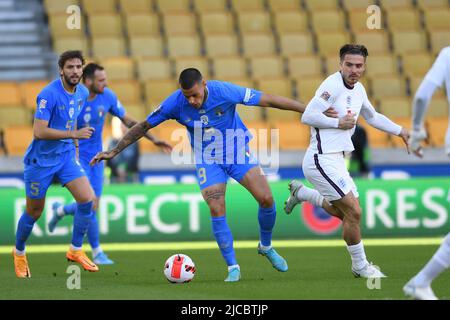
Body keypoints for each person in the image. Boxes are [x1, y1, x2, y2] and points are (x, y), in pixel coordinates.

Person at [90, 68, 338, 282]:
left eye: (196, 95)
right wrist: (114, 150)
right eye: (188, 97)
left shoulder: (224, 92)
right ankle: (233, 267)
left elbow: (270, 100)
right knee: (217, 207)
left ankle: (266, 246)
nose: (193, 101)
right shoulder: (174, 103)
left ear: (204, 85)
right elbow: (143, 125)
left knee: (267, 199)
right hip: (208, 160)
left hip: (236, 151)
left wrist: (311, 112)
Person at [284, 44, 410, 278]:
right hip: (320, 159)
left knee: (345, 214)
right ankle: (360, 267)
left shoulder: (359, 89)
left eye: (359, 65)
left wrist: (400, 130)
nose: (354, 69)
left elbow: (372, 116)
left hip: (337, 160)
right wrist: (338, 123)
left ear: (364, 67)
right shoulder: (331, 85)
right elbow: (307, 115)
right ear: (340, 64)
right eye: (349, 65)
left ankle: (303, 194)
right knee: (355, 212)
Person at [47, 63, 172, 265]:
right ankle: (96, 252)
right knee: (89, 203)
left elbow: (130, 122)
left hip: (97, 158)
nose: (105, 84)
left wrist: (154, 139)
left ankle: (61, 211)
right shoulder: (72, 99)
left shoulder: (108, 97)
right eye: (101, 80)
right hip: (75, 158)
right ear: (87, 81)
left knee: (91, 206)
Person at [13, 50, 99, 277]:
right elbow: (39, 131)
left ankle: (75, 250)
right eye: (70, 67)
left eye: (79, 67)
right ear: (61, 70)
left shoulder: (82, 92)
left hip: (66, 156)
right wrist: (75, 133)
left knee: (87, 199)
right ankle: (19, 252)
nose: (75, 71)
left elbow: (72, 121)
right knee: (34, 211)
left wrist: (76, 147)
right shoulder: (48, 95)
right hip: (40, 162)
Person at [403, 46, 450, 300]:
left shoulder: (447, 54)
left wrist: (418, 131)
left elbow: (421, 96)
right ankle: (420, 282)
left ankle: (420, 282)